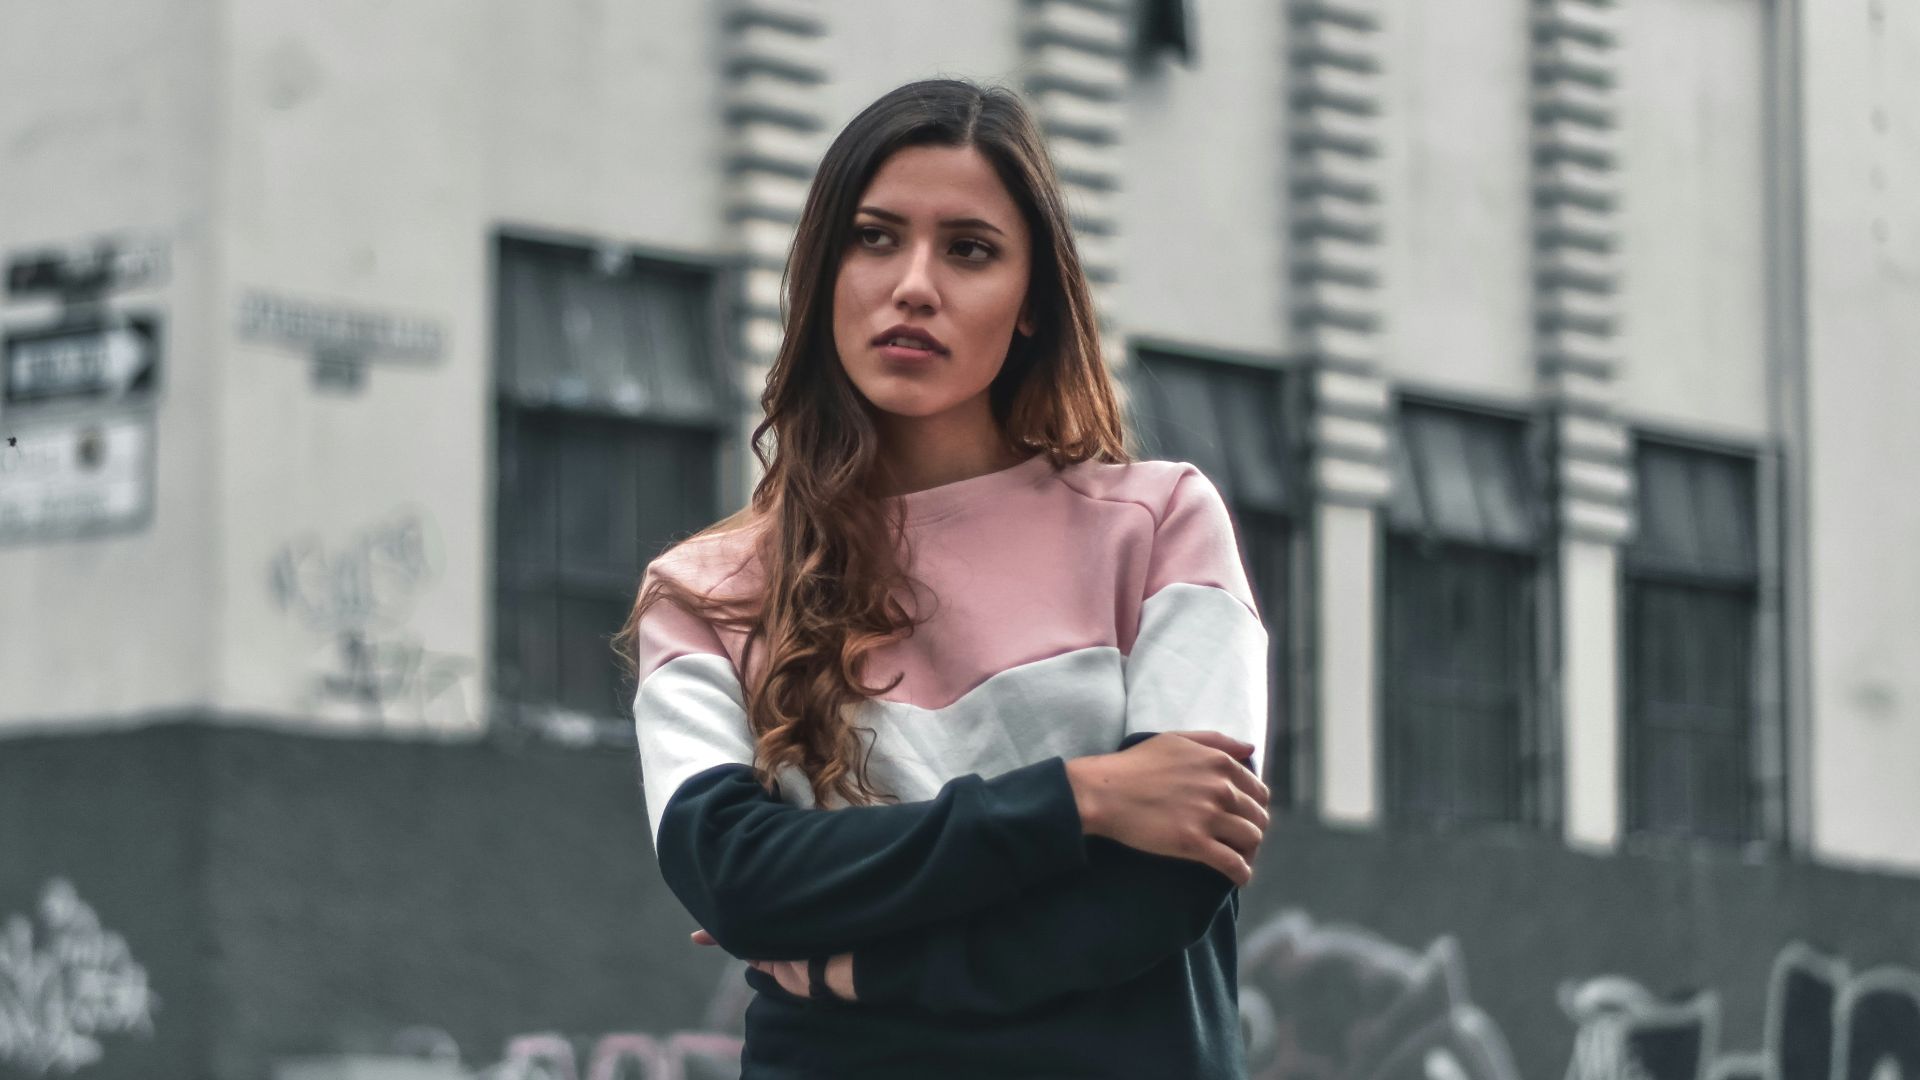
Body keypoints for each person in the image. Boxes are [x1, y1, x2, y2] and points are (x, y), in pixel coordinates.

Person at [614, 77, 1272, 1079]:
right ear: (823, 274)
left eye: (969, 249)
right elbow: (740, 878)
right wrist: (1079, 797)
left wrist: (861, 969)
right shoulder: (706, 594)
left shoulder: (1160, 526)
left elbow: (1162, 885)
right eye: (875, 238)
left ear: (1032, 304)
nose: (914, 284)